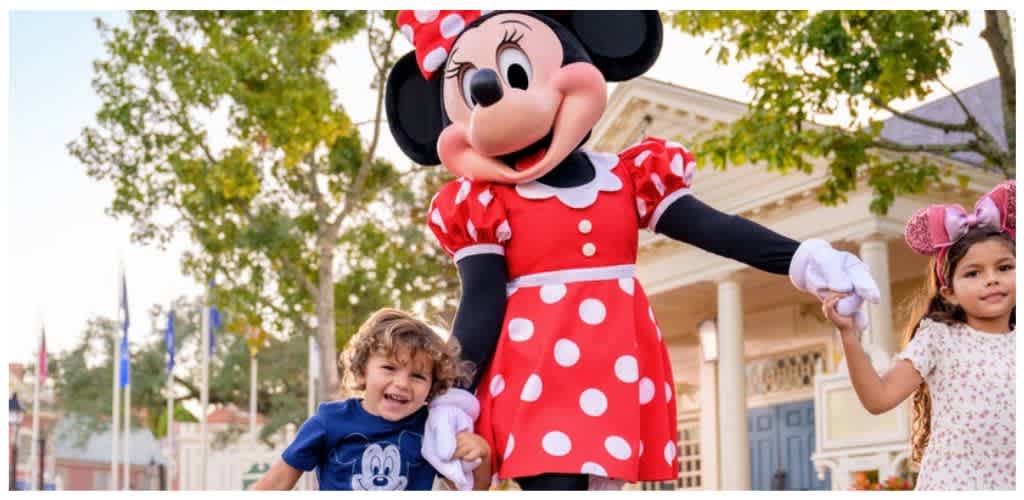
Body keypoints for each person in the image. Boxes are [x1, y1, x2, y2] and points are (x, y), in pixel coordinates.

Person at [385, 10, 881, 490]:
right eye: (475, 89)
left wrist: (805, 261)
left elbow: (714, 228)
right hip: (533, 376)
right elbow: (480, 305)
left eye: (515, 71)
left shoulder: (626, 178)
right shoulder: (484, 203)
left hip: (614, 369)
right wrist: (452, 397)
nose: (495, 95)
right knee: (555, 482)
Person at [823, 180, 1015, 490]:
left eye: (1004, 267)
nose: (991, 280)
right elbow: (879, 398)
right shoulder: (940, 339)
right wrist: (848, 335)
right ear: (949, 292)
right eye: (973, 273)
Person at [252, 308, 492, 491]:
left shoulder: (432, 428)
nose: (402, 383)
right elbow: (275, 484)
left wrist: (482, 456)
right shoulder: (330, 421)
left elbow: (472, 490)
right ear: (361, 371)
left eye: (417, 376)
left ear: (432, 386)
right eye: (389, 368)